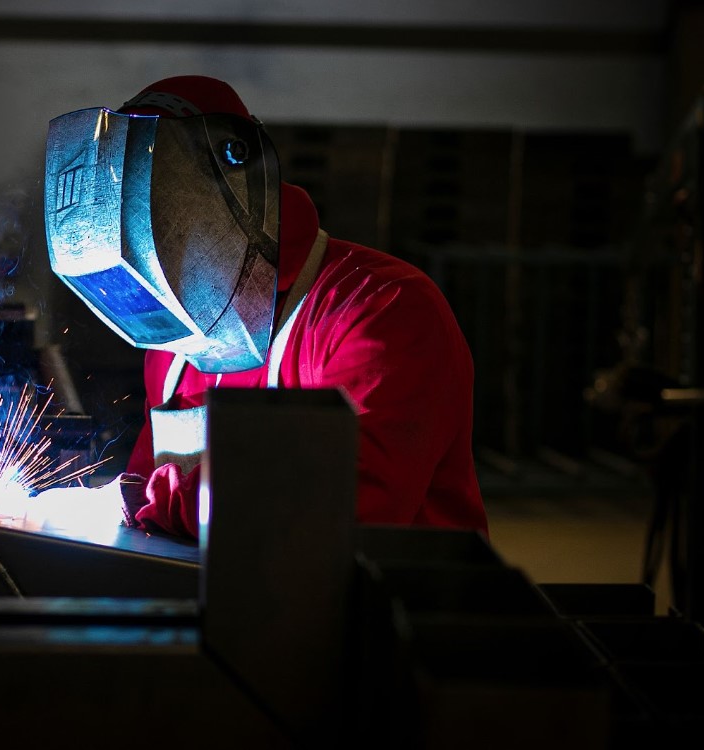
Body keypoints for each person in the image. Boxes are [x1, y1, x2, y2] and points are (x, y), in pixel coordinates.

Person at [37, 74, 488, 540]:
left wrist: (136, 503)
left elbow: (344, 511)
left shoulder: (383, 310)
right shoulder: (172, 353)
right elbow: (152, 521)